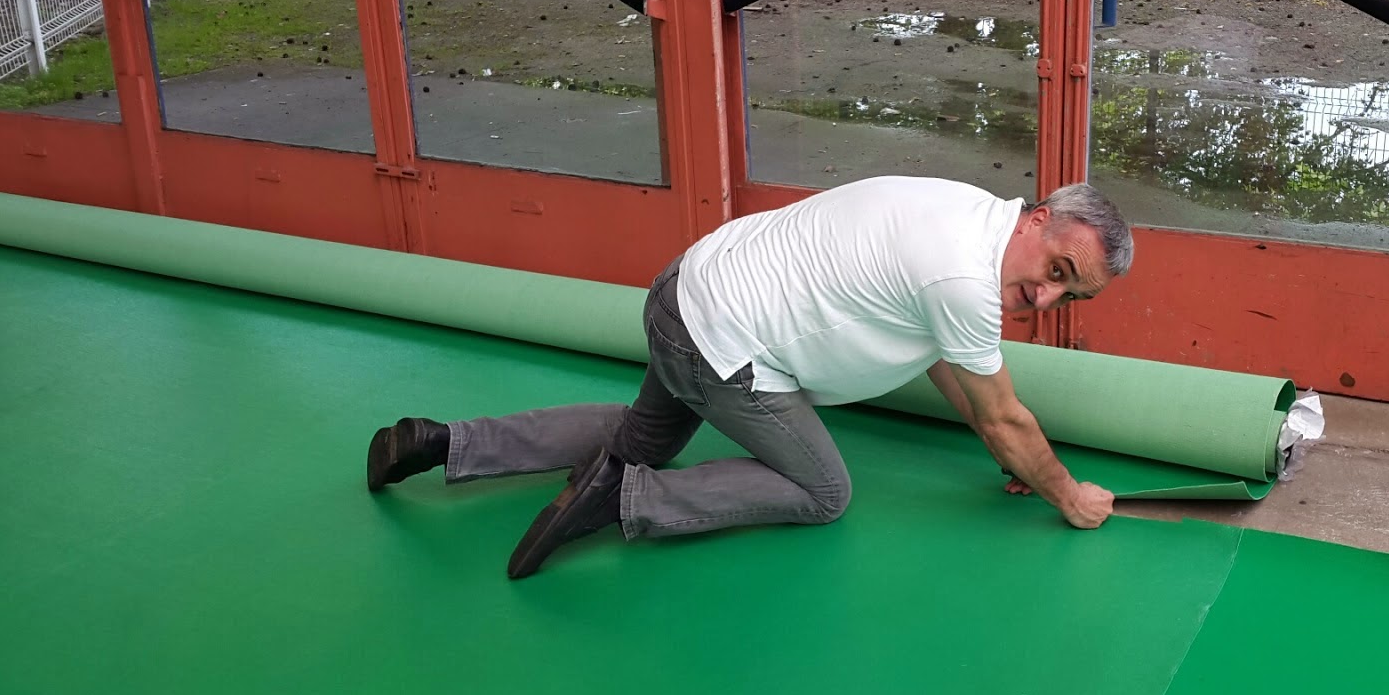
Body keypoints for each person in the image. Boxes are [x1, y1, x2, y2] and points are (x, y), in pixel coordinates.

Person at [366, 175, 1134, 578]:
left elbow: (951, 366)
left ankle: (440, 442)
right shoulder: (965, 277)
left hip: (685, 291)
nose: (1046, 298)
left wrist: (1013, 461)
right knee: (824, 491)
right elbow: (1002, 413)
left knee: (642, 436)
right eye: (1056, 270)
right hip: (724, 344)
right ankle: (622, 497)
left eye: (1071, 295)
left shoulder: (969, 214)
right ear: (1038, 218)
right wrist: (1066, 495)